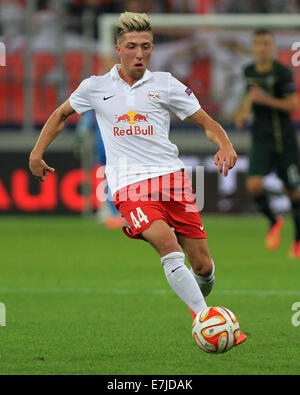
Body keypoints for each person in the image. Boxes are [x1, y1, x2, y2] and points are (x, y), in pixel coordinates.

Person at [29, 11, 246, 345]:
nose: (140, 53)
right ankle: (206, 320)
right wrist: (37, 152)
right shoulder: (95, 87)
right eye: (132, 46)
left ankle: (200, 305)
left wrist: (225, 143)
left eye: (146, 46)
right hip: (129, 185)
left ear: (152, 48)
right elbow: (61, 114)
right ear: (119, 49)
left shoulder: (167, 84)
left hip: (173, 181)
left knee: (202, 266)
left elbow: (207, 123)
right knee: (167, 247)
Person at [235, 29, 300, 258]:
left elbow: (293, 106)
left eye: (266, 43)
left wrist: (265, 100)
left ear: (272, 47)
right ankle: (274, 222)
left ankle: (298, 240)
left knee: (291, 190)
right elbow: (248, 98)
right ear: (253, 47)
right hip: (261, 139)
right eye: (258, 43)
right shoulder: (249, 71)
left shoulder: (282, 73)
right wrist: (242, 114)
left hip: (283, 139)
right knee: (253, 185)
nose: (262, 47)